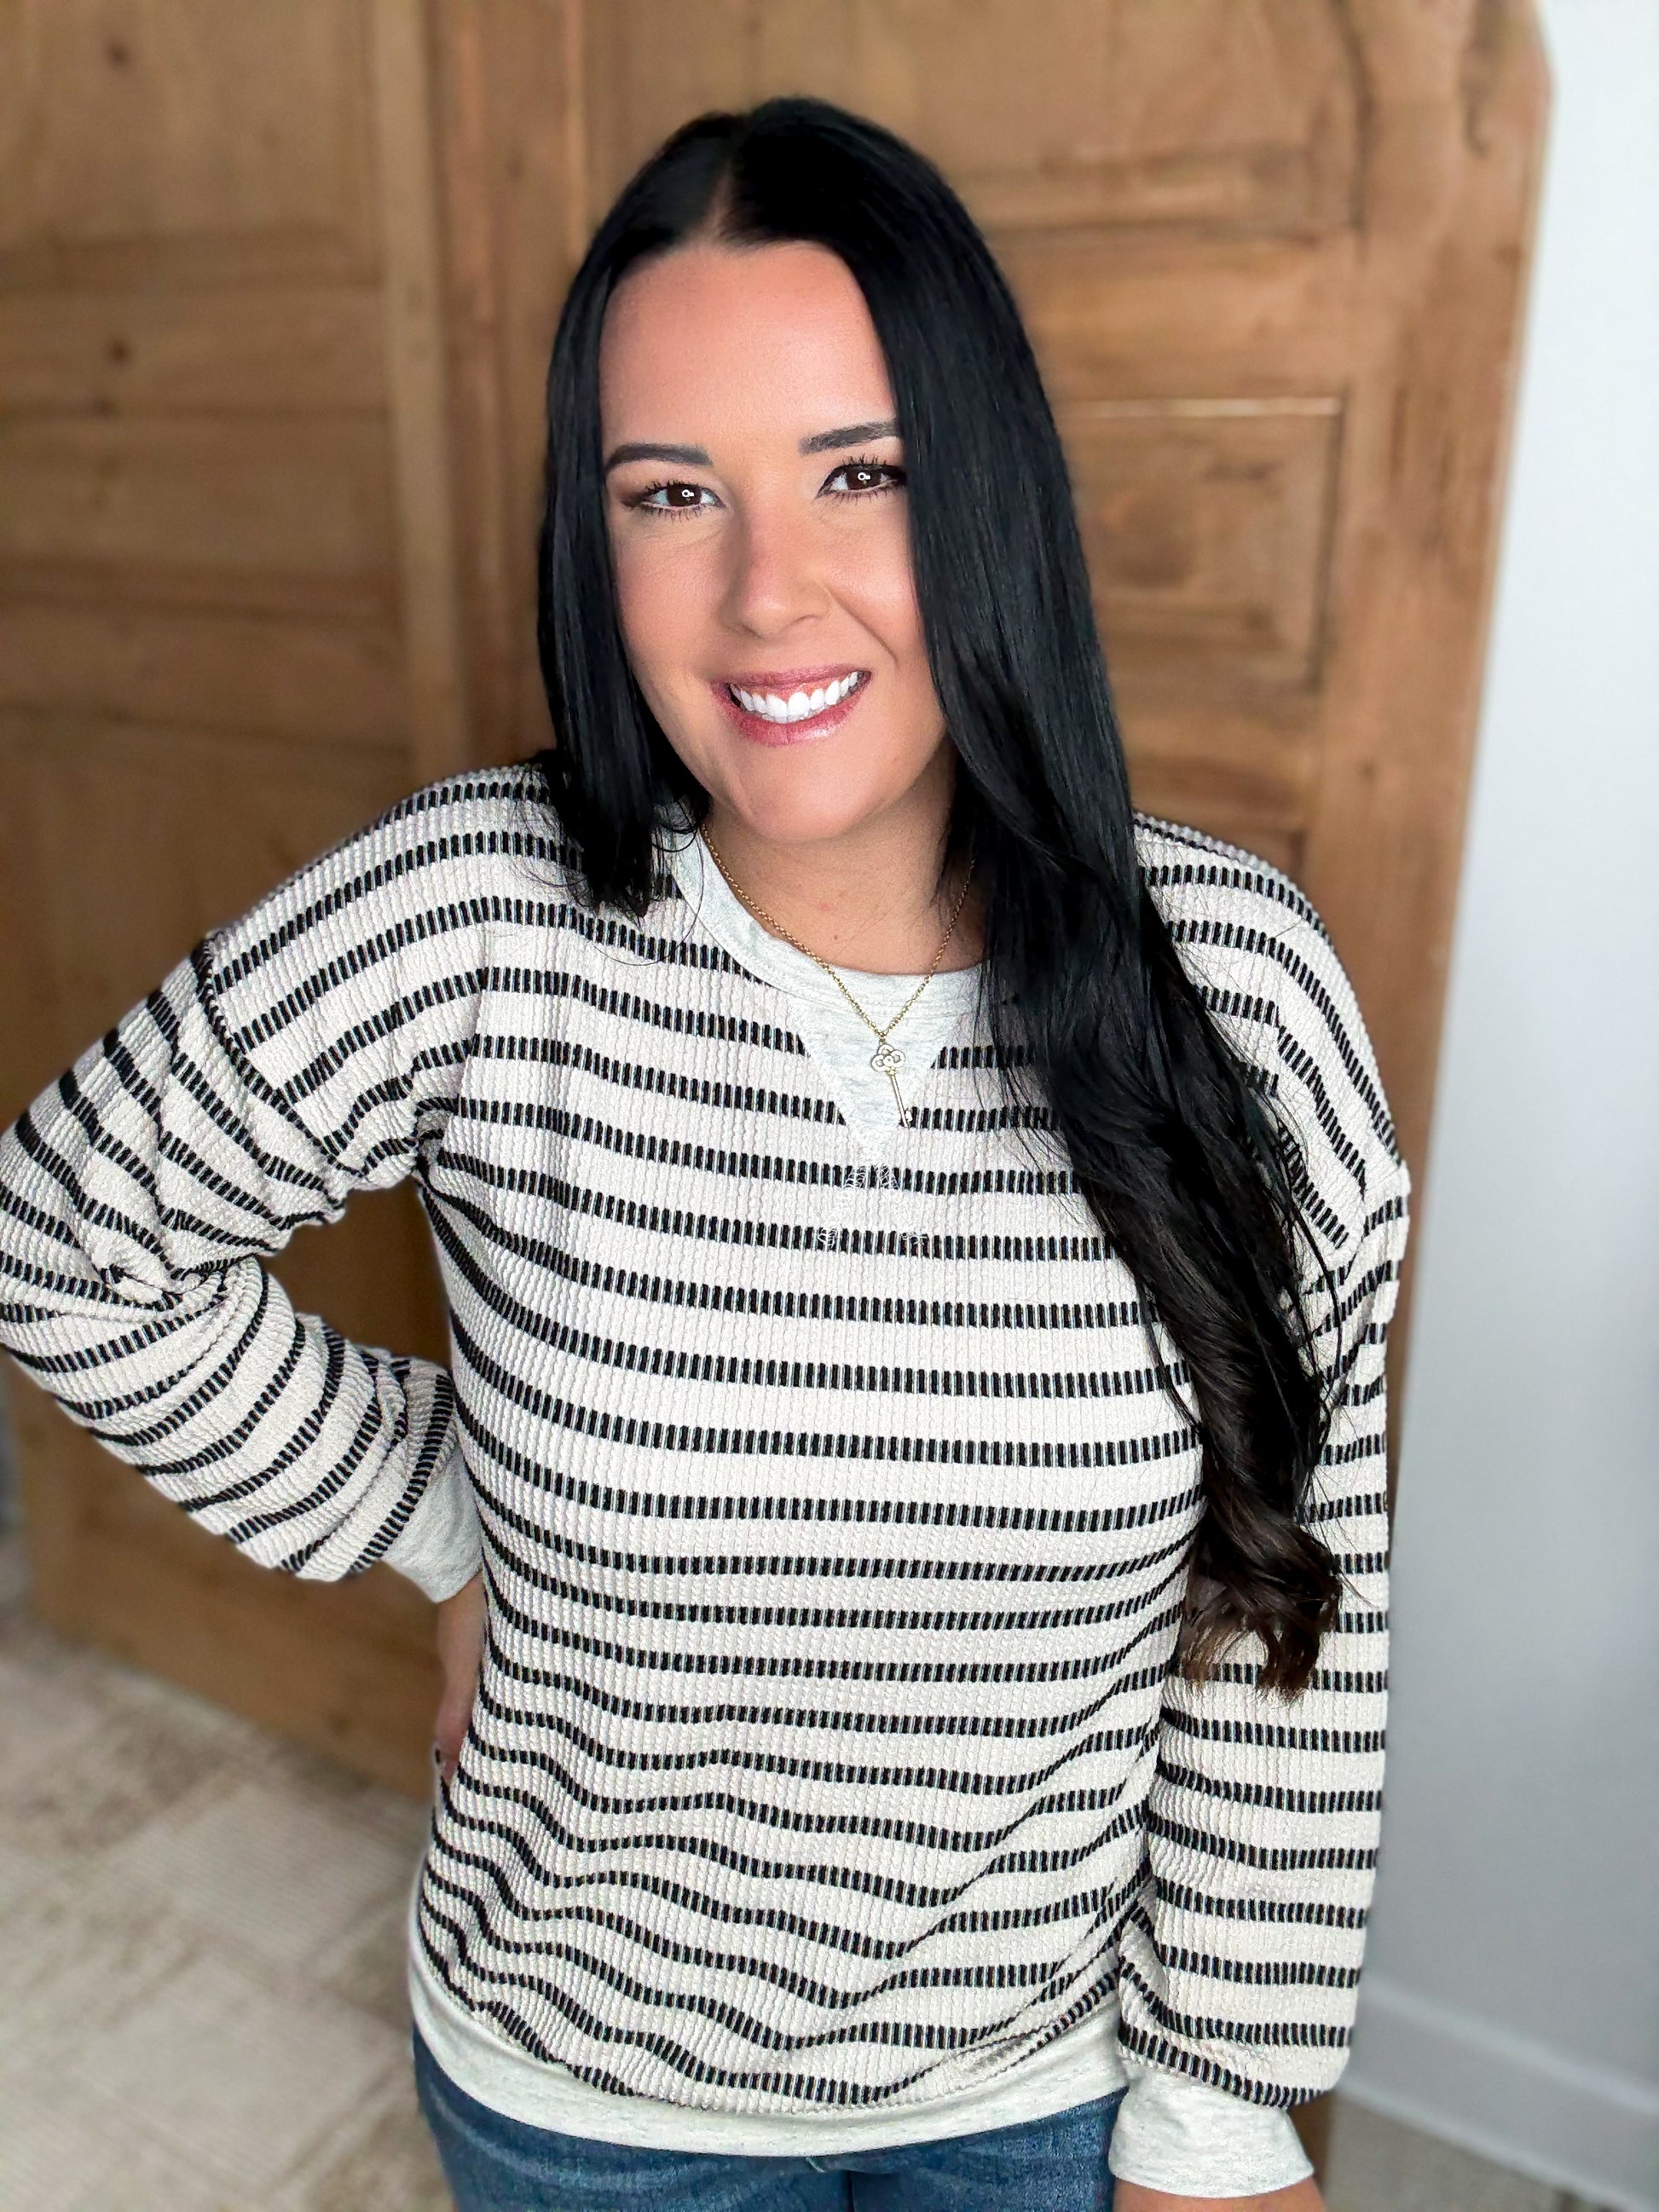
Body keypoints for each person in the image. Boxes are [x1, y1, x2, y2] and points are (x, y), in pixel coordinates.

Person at [0, 99, 1409, 2212]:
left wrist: (1219, 2109)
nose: (766, 594)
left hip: (1041, 2077)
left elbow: (1291, 1594)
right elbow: (66, 1234)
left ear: (989, 491)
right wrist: (450, 1517)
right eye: (672, 492)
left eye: (862, 472)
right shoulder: (474, 913)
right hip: (588, 2101)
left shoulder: (1238, 984)